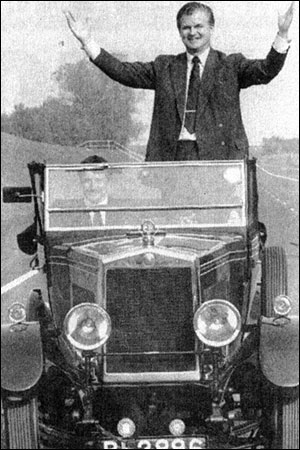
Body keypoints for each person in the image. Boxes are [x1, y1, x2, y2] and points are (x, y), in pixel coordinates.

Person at [64, 2, 295, 161]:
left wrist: (282, 34)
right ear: (179, 31)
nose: (192, 32)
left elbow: (266, 70)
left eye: (198, 26)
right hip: (171, 160)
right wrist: (87, 41)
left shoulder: (231, 65)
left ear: (211, 28)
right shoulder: (164, 66)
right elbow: (123, 72)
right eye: (186, 27)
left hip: (221, 162)